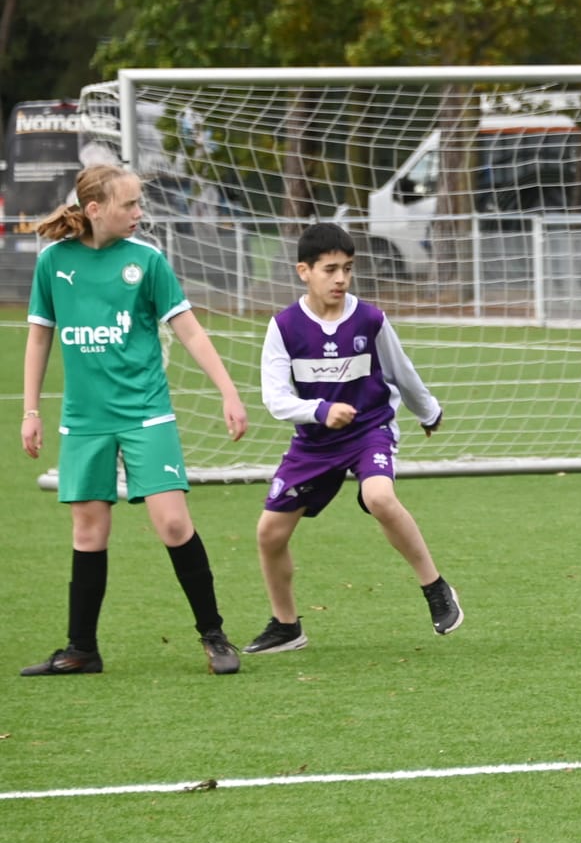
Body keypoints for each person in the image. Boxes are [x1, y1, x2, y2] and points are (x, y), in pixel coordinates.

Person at [19, 165, 249, 676]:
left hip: (146, 412)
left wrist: (228, 391)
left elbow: (189, 330)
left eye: (139, 203)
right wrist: (30, 411)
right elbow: (39, 337)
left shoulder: (147, 261)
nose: (139, 213)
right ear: (95, 209)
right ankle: (82, 649)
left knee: (173, 523)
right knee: (88, 531)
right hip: (85, 419)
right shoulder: (54, 262)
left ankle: (214, 635)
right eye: (129, 204)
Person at [245, 223, 459, 654]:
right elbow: (275, 399)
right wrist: (320, 411)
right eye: (330, 270)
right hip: (314, 443)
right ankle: (286, 626)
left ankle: (435, 587)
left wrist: (428, 410)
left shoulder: (370, 319)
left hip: (368, 430)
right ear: (304, 271)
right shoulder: (284, 327)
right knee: (269, 533)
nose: (340, 278)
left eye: (347, 268)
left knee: (379, 497)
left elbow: (402, 371)